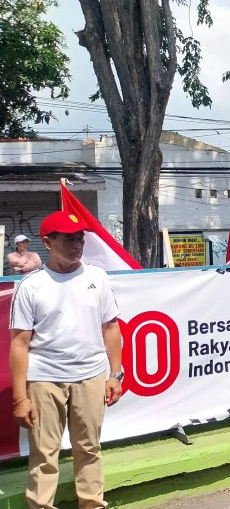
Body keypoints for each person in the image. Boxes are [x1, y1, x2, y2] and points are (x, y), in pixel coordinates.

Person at [9, 211, 124, 509]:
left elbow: (111, 327)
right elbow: (19, 344)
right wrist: (20, 398)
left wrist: (115, 374)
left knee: (89, 447)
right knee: (44, 453)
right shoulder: (31, 286)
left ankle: (92, 504)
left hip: (90, 376)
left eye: (80, 238)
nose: (77, 244)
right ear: (48, 243)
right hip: (44, 380)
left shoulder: (97, 277)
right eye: (68, 239)